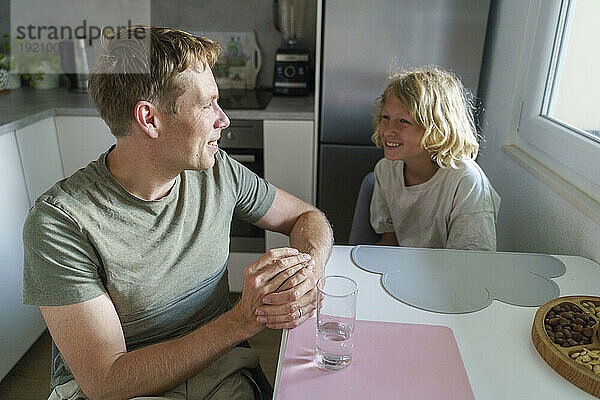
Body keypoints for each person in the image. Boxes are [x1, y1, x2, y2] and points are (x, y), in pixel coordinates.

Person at [22, 26, 333, 400]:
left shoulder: (219, 171)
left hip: (218, 371)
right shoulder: (61, 222)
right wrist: (242, 320)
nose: (224, 120)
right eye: (207, 104)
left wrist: (309, 271)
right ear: (149, 119)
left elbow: (307, 217)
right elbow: (106, 381)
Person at [369, 65, 500, 251]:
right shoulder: (385, 170)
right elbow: (391, 241)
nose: (388, 130)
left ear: (438, 128)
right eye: (386, 117)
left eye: (404, 121)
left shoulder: (465, 181)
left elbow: (473, 260)